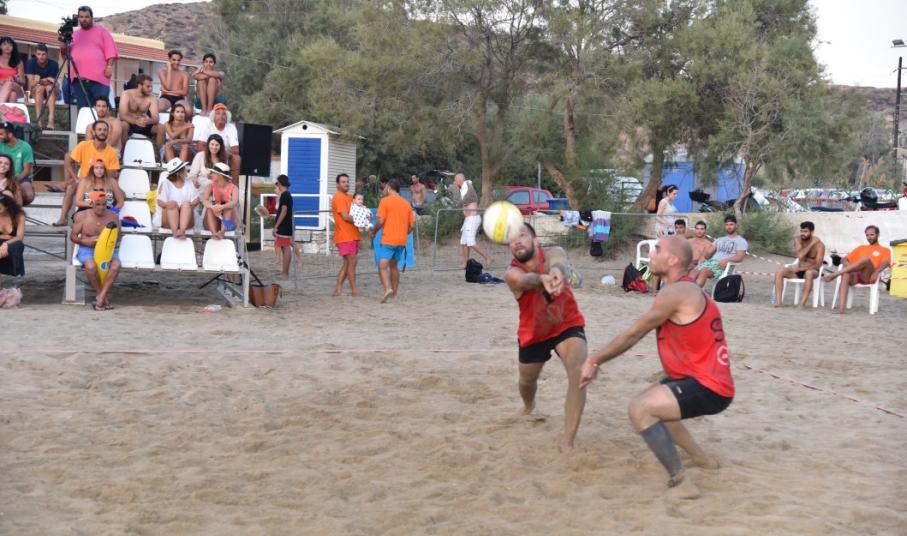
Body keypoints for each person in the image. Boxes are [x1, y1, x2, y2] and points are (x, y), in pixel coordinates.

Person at [581, 236, 733, 496]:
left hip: (710, 387)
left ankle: (681, 482)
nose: (651, 253)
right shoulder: (682, 289)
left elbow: (634, 333)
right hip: (701, 379)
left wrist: (594, 360)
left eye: (658, 250)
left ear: (673, 260)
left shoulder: (676, 292)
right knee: (661, 409)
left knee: (640, 409)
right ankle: (703, 460)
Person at [505, 223, 588, 449]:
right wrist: (542, 279)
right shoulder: (512, 273)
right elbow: (524, 281)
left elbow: (558, 261)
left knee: (578, 373)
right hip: (534, 332)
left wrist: (557, 272)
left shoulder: (553, 252)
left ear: (536, 241)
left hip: (566, 323)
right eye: (512, 239)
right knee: (527, 380)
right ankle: (529, 406)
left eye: (522, 236)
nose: (517, 241)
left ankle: (568, 441)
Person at [55, 121, 120, 226]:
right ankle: (63, 218)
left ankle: (112, 217)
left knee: (119, 192)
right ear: (93, 132)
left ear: (108, 133)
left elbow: (112, 174)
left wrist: (96, 179)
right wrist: (75, 178)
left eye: (105, 130)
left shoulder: (112, 152)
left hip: (102, 183)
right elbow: (68, 160)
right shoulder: (84, 145)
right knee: (71, 186)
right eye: (99, 130)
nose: (102, 132)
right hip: (84, 182)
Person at [70, 192, 122, 310]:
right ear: (91, 203)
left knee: (116, 265)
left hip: (107, 249)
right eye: (98, 204)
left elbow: (117, 236)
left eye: (104, 204)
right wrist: (85, 241)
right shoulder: (82, 216)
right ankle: (101, 295)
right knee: (91, 266)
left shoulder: (113, 216)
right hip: (87, 248)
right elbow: (73, 236)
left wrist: (104, 242)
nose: (101, 207)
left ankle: (101, 296)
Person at [823, 225, 891, 314]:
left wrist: (877, 272)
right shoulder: (861, 248)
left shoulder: (885, 250)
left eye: (872, 235)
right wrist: (850, 266)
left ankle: (835, 274)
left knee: (866, 259)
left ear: (878, 235)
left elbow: (885, 263)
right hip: (855, 275)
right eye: (867, 235)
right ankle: (841, 310)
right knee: (846, 274)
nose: (869, 237)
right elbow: (843, 259)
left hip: (868, 276)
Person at [64, 6, 118, 108]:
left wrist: (109, 66)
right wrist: (62, 42)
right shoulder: (73, 35)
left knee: (102, 110)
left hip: (99, 79)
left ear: (92, 17)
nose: (84, 19)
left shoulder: (101, 31)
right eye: (81, 17)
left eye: (86, 17)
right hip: (79, 80)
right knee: (84, 111)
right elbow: (65, 55)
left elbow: (111, 50)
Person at [371, 179, 415, 303]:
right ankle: (394, 294)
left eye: (386, 187)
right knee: (394, 266)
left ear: (389, 188)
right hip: (401, 240)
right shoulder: (406, 203)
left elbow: (380, 221)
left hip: (389, 239)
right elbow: (412, 226)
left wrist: (374, 231)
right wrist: (404, 233)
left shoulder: (385, 201)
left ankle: (388, 289)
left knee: (382, 266)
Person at [773, 221, 826, 308]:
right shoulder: (798, 240)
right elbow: (800, 256)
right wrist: (811, 244)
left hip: (813, 271)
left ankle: (802, 304)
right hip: (798, 270)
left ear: (812, 232)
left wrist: (801, 269)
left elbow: (818, 265)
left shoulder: (820, 246)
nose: (802, 233)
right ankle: (778, 302)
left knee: (809, 273)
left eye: (805, 231)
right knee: (779, 271)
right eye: (801, 231)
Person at [690, 214, 747, 287]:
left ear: (736, 225)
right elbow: (709, 252)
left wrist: (726, 260)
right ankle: (686, 291)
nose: (729, 227)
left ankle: (695, 291)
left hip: (722, 265)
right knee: (693, 271)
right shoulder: (719, 239)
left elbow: (740, 257)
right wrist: (703, 258)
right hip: (711, 263)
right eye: (727, 225)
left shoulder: (741, 241)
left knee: (704, 271)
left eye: (731, 224)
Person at [448, 173, 490, 268]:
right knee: (464, 242)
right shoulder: (463, 188)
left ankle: (487, 257)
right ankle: (466, 262)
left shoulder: (467, 187)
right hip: (468, 219)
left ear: (459, 180)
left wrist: (455, 189)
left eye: (455, 180)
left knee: (470, 242)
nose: (454, 182)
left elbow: (461, 201)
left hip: (473, 218)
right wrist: (455, 189)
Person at [193, 104, 240, 182]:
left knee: (236, 158)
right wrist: (213, 151)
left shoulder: (231, 127)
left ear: (227, 117)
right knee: (202, 154)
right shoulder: (207, 126)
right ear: (213, 116)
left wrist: (220, 151)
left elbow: (235, 150)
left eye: (224, 114)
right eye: (218, 113)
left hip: (225, 154)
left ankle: (234, 184)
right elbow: (200, 146)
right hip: (210, 152)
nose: (221, 116)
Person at [332, 173, 360, 296]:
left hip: (353, 234)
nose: (346, 184)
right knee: (352, 261)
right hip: (345, 235)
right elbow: (345, 216)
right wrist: (361, 220)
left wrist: (366, 216)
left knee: (348, 263)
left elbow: (359, 211)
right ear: (337, 184)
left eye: (347, 181)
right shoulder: (338, 197)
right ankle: (354, 290)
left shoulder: (350, 197)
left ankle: (338, 289)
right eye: (343, 182)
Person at [157, 158, 199, 239]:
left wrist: (189, 205)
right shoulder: (165, 183)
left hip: (187, 219)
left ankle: (182, 231)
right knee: (172, 204)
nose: (186, 170)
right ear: (178, 173)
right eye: (184, 169)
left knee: (186, 205)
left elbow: (196, 200)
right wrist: (171, 205)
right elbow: (160, 202)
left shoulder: (189, 182)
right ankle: (175, 232)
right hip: (169, 218)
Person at [118, 74, 162, 147]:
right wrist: (135, 121)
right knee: (123, 125)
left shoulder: (152, 98)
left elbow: (156, 118)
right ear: (140, 85)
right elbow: (122, 115)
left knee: (161, 128)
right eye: (148, 86)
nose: (151, 89)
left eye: (151, 86)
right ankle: (123, 152)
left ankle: (159, 153)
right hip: (129, 122)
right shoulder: (126, 94)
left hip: (144, 123)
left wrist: (149, 121)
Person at [0, 122, 35, 206]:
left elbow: (27, 171)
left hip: (20, 177)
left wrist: (12, 181)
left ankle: (16, 209)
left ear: (10, 135)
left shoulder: (25, 147)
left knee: (29, 195)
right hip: (1, 175)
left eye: (1, 134)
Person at [25, 44, 59, 129]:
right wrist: (45, 79)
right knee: (40, 88)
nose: (41, 56)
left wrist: (38, 80)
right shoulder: (30, 63)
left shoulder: (54, 64)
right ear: (35, 54)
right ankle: (39, 120)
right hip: (35, 91)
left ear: (47, 54)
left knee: (49, 88)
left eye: (43, 54)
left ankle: (51, 120)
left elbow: (54, 83)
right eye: (39, 54)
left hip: (50, 91)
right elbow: (32, 83)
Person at [201, 162, 238, 240]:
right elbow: (204, 200)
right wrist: (213, 207)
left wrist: (222, 207)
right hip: (212, 222)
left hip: (228, 225)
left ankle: (222, 232)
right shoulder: (210, 186)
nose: (211, 175)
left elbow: (234, 202)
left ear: (220, 175)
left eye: (213, 173)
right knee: (210, 208)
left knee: (228, 208)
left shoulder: (233, 187)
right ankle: (214, 234)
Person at [0, 193, 26, 286]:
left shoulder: (19, 216)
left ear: (7, 207)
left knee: (17, 245)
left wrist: (6, 243)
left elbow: (19, 237)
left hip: (13, 244)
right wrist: (7, 237)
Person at [272, 174, 295, 277]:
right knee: (283, 247)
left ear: (280, 183)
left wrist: (276, 226)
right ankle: (284, 271)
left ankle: (285, 272)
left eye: (278, 183)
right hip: (285, 225)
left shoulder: (285, 195)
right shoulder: (286, 194)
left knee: (285, 247)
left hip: (284, 225)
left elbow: (284, 211)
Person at [157, 50, 191, 117]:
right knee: (158, 108)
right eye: (174, 60)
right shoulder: (162, 72)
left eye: (178, 60)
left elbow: (185, 92)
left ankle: (186, 124)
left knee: (188, 110)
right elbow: (168, 87)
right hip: (166, 97)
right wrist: (169, 69)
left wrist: (168, 92)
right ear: (169, 59)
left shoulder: (184, 74)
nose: (176, 62)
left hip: (179, 98)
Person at [0, 36, 25, 104]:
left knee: (9, 83)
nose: (7, 46)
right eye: (4, 44)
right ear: (0, 46)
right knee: (13, 95)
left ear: (13, 47)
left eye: (10, 45)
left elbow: (23, 82)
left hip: (16, 88)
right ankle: (6, 111)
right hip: (1, 87)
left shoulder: (18, 62)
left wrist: (16, 79)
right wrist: (2, 81)